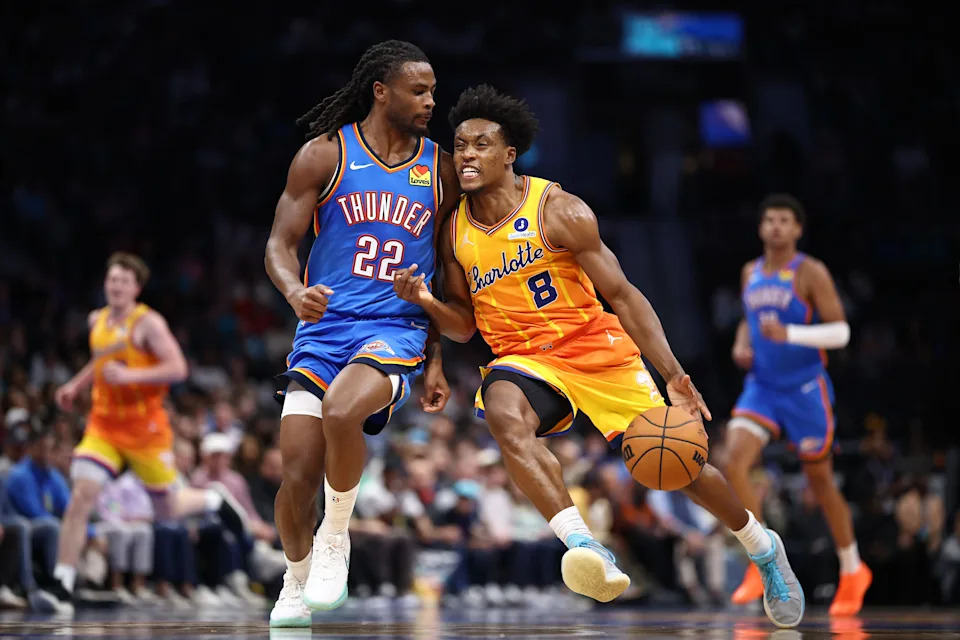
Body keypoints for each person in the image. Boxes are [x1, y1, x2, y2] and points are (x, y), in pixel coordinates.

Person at [393, 85, 804, 628]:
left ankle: (760, 545)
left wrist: (674, 373)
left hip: (595, 349)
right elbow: (465, 325)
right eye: (460, 144)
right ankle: (584, 545)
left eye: (481, 144)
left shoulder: (560, 210)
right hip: (524, 357)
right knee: (502, 412)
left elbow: (625, 295)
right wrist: (425, 301)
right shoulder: (452, 229)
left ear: (509, 154)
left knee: (680, 468)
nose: (466, 154)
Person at [263, 40, 458, 627]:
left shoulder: (440, 167)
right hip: (323, 332)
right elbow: (279, 244)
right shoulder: (325, 155)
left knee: (343, 413)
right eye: (418, 90)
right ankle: (295, 580)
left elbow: (448, 274)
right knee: (296, 475)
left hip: (394, 331)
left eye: (431, 90)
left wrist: (438, 361)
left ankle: (337, 534)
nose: (430, 101)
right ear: (381, 91)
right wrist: (295, 292)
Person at [49, 252, 250, 612]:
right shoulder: (97, 319)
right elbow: (100, 361)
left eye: (124, 281)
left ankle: (212, 499)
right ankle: (61, 584)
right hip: (104, 425)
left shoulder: (149, 324)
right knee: (82, 494)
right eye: (112, 280)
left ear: (136, 288)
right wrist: (75, 385)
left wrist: (130, 376)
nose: (116, 286)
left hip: (146, 430)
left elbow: (178, 368)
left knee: (168, 510)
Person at [725, 194, 871, 616]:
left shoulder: (810, 272)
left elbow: (841, 332)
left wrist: (790, 335)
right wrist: (741, 341)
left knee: (820, 482)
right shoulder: (749, 272)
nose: (775, 226)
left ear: (797, 230)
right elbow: (748, 319)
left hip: (805, 389)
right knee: (734, 460)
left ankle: (852, 568)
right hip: (763, 387)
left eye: (784, 220)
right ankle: (762, 556)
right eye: (769, 219)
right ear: (760, 228)